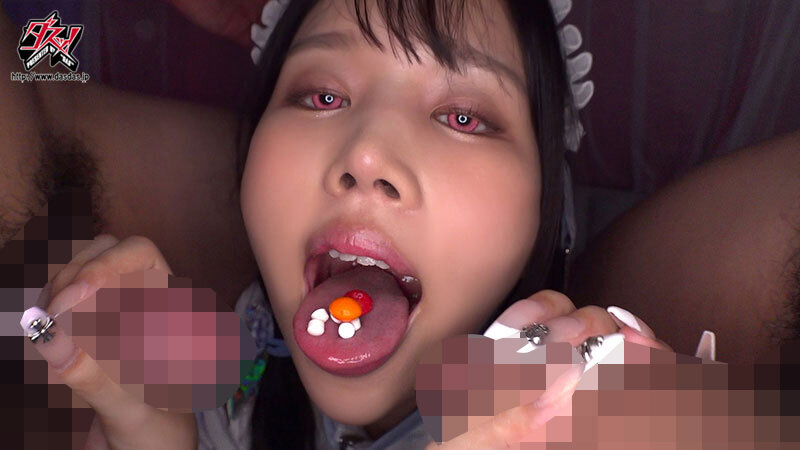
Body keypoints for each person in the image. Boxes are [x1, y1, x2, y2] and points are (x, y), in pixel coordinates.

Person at [20, 0, 673, 448]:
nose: (365, 156)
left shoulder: (606, 412)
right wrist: (149, 434)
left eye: (463, 117)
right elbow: (31, 63)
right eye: (323, 96)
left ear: (548, 211)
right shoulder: (228, 386)